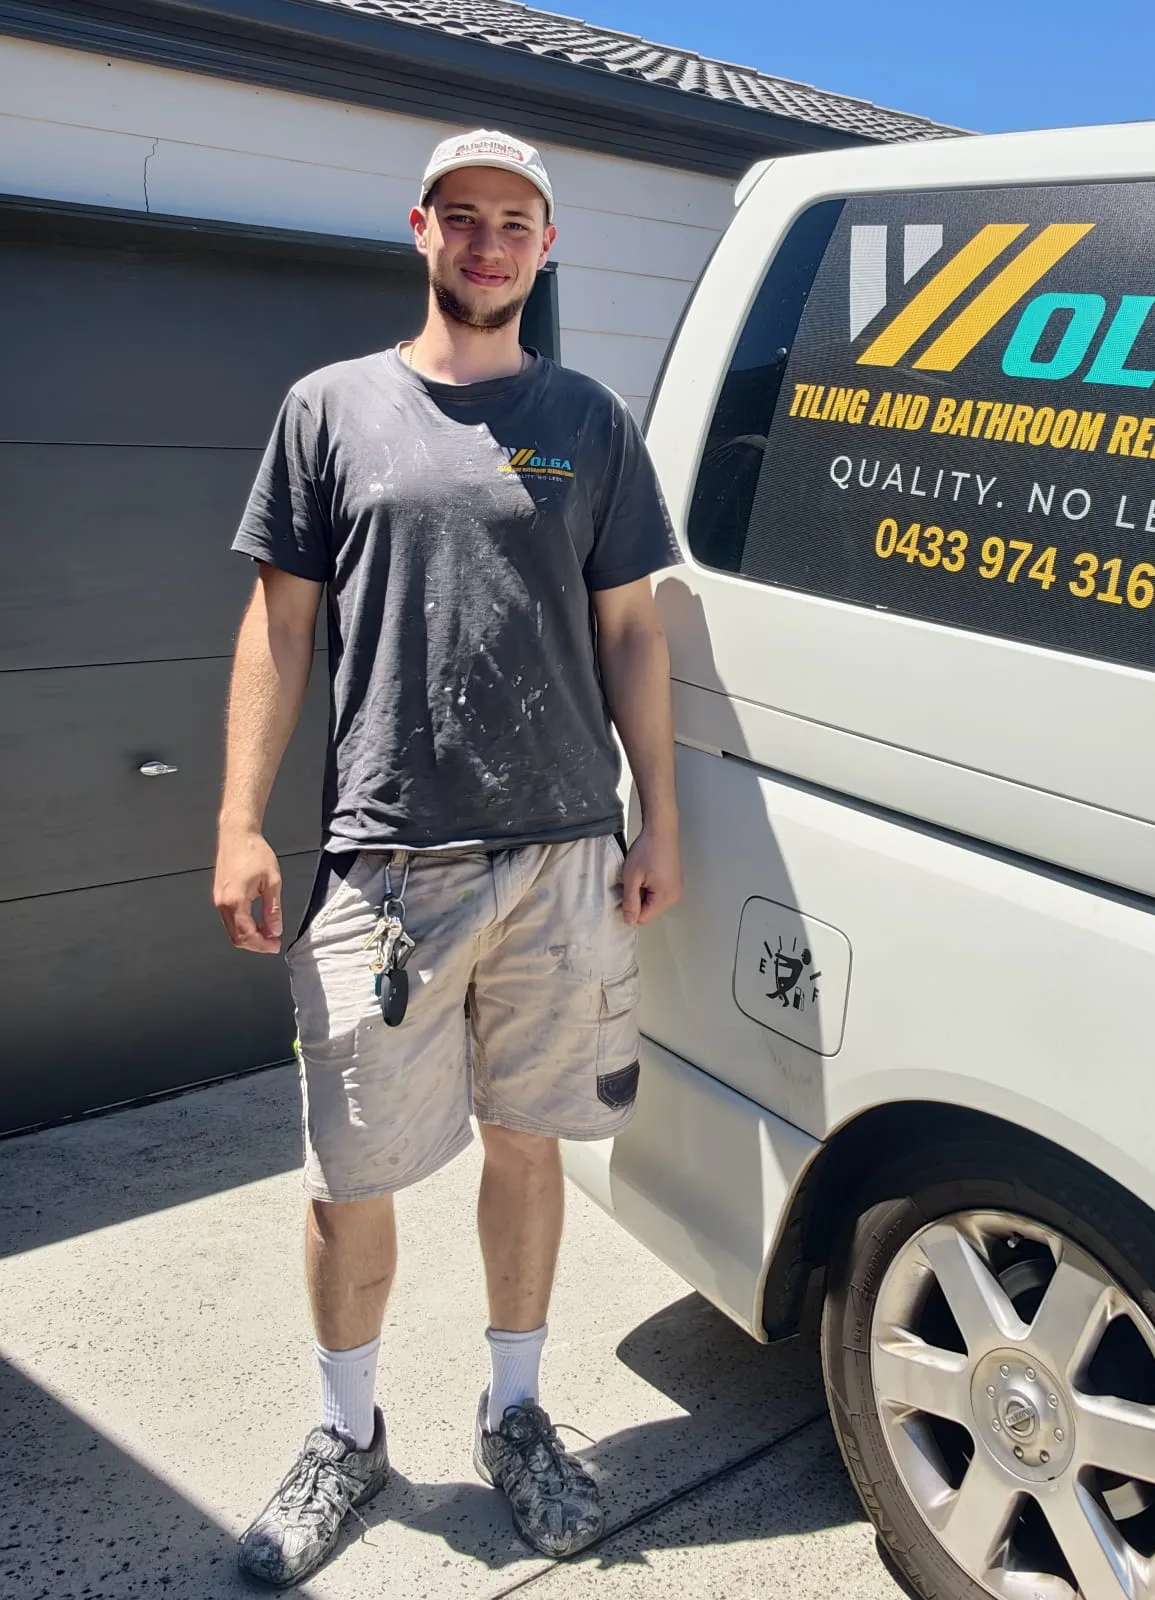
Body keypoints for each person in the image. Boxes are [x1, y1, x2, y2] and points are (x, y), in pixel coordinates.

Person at [212, 127, 682, 1589]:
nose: (488, 243)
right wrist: (237, 818)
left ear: (546, 247)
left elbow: (630, 630)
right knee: (349, 1172)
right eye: (463, 217)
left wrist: (657, 816)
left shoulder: (588, 417)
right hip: (384, 865)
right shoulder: (330, 408)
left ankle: (515, 1411)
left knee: (527, 1143)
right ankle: (346, 1435)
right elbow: (280, 622)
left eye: (515, 222)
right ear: (421, 229)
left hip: (564, 857)